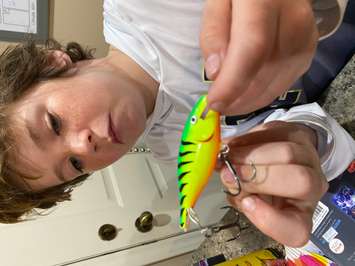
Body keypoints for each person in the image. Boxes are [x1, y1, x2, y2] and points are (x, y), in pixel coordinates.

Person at [0, 0, 353, 249]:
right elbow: (334, 140)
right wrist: (306, 141)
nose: (83, 147)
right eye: (74, 166)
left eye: (54, 123)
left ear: (52, 63)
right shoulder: (176, 152)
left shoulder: (140, 6)